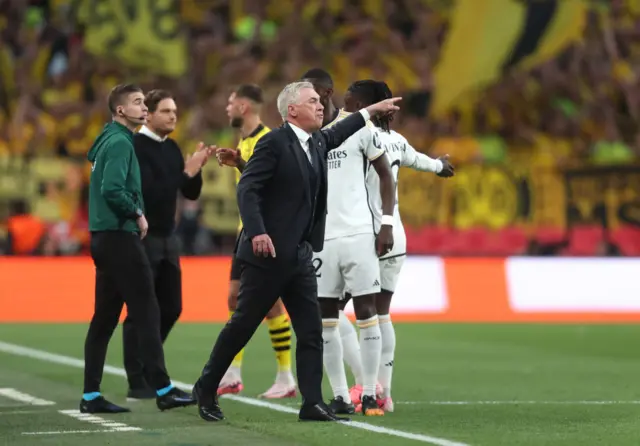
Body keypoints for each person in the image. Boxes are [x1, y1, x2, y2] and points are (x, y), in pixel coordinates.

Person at [192, 81, 402, 422]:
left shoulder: (318, 141)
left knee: (311, 332)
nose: (322, 106)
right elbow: (248, 188)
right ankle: (206, 386)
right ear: (292, 110)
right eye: (314, 102)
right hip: (268, 256)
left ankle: (312, 403)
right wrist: (258, 231)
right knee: (243, 325)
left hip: (301, 255)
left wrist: (371, 112)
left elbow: (344, 128)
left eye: (321, 102)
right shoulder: (273, 142)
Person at [339, 81, 455, 413]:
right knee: (381, 313)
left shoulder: (356, 139)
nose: (346, 112)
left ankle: (366, 384)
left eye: (351, 104)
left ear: (367, 104)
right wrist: (440, 166)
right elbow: (422, 161)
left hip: (367, 236)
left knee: (331, 310)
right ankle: (384, 393)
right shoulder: (396, 140)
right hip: (395, 235)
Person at [82, 84, 195, 414]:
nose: (143, 107)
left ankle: (90, 395)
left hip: (103, 237)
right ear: (120, 111)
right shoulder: (120, 142)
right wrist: (137, 213)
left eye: (144, 102)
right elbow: (113, 189)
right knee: (147, 309)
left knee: (104, 319)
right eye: (136, 103)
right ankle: (162, 389)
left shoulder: (108, 138)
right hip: (120, 236)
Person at [311, 80, 396, 417]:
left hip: (359, 233)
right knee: (327, 321)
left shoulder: (362, 130)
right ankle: (341, 395)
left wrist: (386, 223)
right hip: (322, 240)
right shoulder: (309, 137)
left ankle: (371, 394)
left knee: (366, 313)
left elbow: (386, 175)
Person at [122, 89, 213, 400]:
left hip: (168, 238)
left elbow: (189, 194)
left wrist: (194, 171)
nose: (173, 116)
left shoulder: (172, 148)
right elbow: (149, 193)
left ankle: (149, 364)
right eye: (166, 111)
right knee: (141, 310)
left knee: (171, 307)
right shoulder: (136, 146)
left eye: (175, 111)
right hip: (142, 237)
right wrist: (184, 173)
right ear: (148, 114)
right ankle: (138, 380)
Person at [215, 84, 297, 399]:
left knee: (269, 304)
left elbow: (270, 186)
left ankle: (285, 376)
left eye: (231, 102)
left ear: (245, 106)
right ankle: (233, 374)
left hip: (264, 232)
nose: (227, 107)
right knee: (234, 298)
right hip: (245, 231)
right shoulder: (245, 140)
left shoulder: (266, 140)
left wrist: (238, 163)